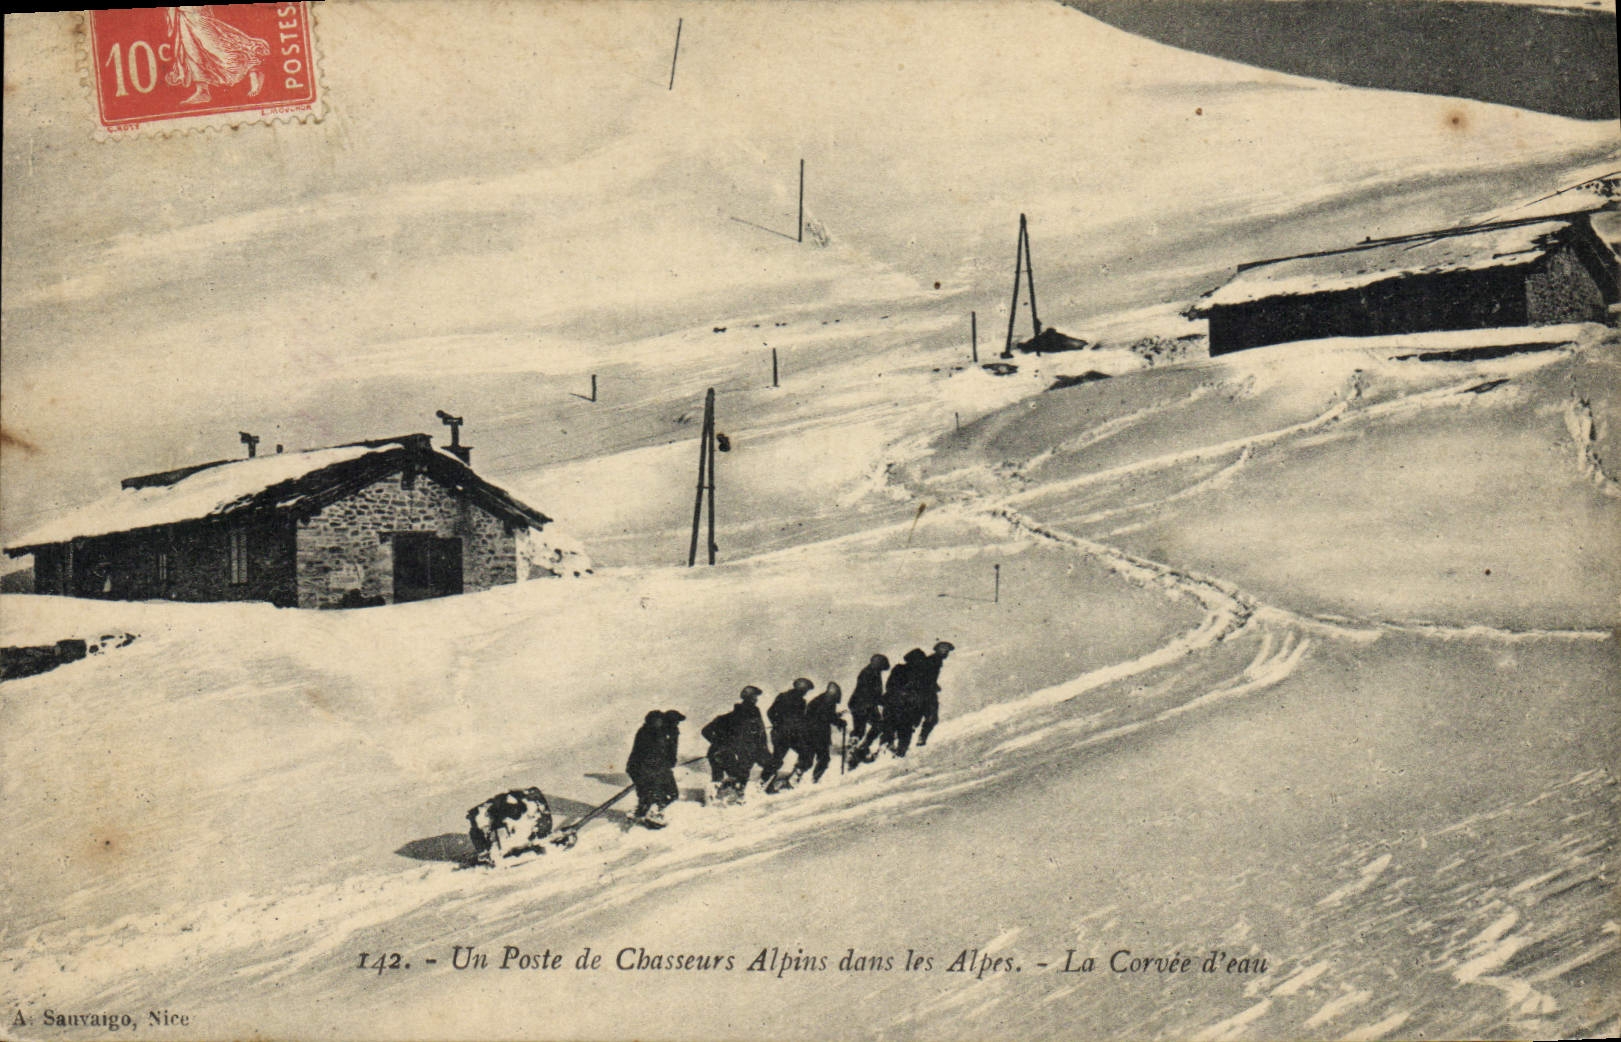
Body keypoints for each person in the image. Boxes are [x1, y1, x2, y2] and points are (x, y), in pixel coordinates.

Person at [164, 6, 270, 105]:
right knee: (191, 49)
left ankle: (253, 70)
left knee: (215, 47)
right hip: (182, 12)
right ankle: (202, 90)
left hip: (196, 10)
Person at [701, 686, 770, 803]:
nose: (756, 699)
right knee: (738, 775)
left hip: (719, 752)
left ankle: (714, 799)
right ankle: (731, 798)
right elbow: (757, 734)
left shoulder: (725, 718)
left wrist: (718, 741)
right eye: (754, 697)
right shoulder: (746, 715)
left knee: (721, 776)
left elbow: (706, 731)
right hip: (728, 752)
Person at [764, 678, 815, 792]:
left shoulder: (784, 697)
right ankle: (792, 779)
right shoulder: (797, 701)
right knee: (807, 753)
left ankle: (764, 782)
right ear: (801, 689)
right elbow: (772, 712)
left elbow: (770, 712)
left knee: (777, 758)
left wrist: (777, 724)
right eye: (806, 689)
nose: (806, 692)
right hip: (788, 734)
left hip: (783, 733)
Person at [626, 711, 672, 828]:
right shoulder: (648, 733)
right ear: (650, 721)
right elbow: (648, 755)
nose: (659, 723)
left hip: (644, 768)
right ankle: (650, 817)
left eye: (660, 720)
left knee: (648, 794)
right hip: (641, 768)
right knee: (651, 793)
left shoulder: (653, 732)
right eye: (657, 720)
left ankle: (641, 814)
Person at [798, 682, 848, 783]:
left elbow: (825, 715)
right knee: (822, 759)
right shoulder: (827, 701)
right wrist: (839, 722)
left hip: (812, 734)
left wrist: (836, 717)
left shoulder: (821, 699)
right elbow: (826, 716)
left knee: (811, 759)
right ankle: (813, 779)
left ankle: (799, 778)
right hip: (817, 734)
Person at [882, 649, 928, 756]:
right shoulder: (900, 670)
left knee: (902, 729)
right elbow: (891, 686)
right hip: (895, 705)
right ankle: (893, 749)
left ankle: (897, 750)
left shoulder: (918, 675)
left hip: (903, 707)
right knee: (898, 728)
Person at [913, 642, 955, 748]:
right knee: (931, 717)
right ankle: (921, 738)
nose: (946, 651)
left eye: (947, 650)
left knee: (920, 718)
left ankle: (918, 737)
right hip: (925, 693)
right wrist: (932, 686)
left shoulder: (936, 660)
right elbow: (924, 676)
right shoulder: (934, 660)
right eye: (943, 649)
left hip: (924, 692)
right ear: (937, 649)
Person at [847, 654, 889, 758]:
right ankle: (862, 746)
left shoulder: (870, 671)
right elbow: (870, 692)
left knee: (860, 729)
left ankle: (854, 744)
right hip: (864, 705)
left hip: (858, 704)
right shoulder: (869, 673)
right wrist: (880, 700)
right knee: (878, 725)